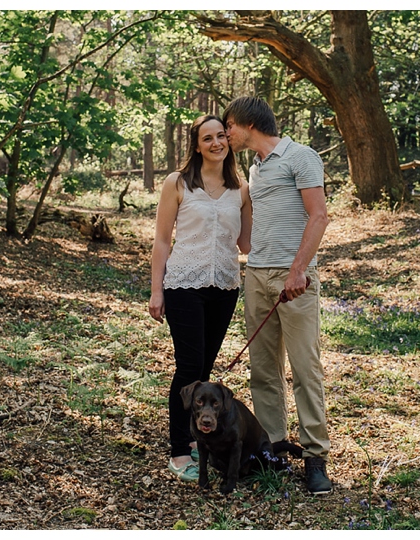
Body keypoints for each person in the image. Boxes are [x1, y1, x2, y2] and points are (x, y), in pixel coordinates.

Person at [222, 96, 332, 495]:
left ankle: (315, 457)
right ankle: (271, 452)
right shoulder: (256, 167)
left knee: (305, 370)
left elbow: (319, 215)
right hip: (257, 277)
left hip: (295, 279)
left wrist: (299, 270)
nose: (226, 134)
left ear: (247, 123)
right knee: (264, 371)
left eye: (229, 125)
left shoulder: (301, 156)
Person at [149, 115, 252, 482]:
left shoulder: (241, 189)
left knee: (205, 371)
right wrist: (156, 289)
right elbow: (162, 240)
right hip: (182, 285)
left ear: (228, 140)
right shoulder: (177, 183)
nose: (216, 143)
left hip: (224, 287)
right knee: (189, 368)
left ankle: (197, 438)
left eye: (221, 136)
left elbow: (246, 243)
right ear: (196, 145)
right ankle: (179, 449)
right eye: (207, 138)